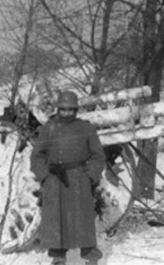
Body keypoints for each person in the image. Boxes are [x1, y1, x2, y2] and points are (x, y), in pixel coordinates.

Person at [30, 90, 106, 265]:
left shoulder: (86, 128)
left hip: (79, 178)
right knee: (57, 218)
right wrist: (45, 177)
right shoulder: (49, 128)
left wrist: (90, 176)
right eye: (63, 109)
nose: (67, 113)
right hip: (55, 180)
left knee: (83, 219)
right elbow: (37, 156)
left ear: (76, 110)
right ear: (58, 109)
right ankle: (58, 257)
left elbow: (98, 156)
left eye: (70, 109)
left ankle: (90, 256)